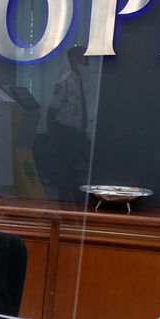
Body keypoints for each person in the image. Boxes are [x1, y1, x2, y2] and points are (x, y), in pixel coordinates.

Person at [46, 46, 92, 202]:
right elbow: (51, 111)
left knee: (79, 176)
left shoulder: (84, 81)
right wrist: (54, 137)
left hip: (79, 134)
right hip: (66, 134)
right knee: (65, 176)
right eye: (83, 57)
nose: (86, 61)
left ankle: (77, 212)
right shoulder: (65, 82)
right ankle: (64, 213)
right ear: (74, 60)